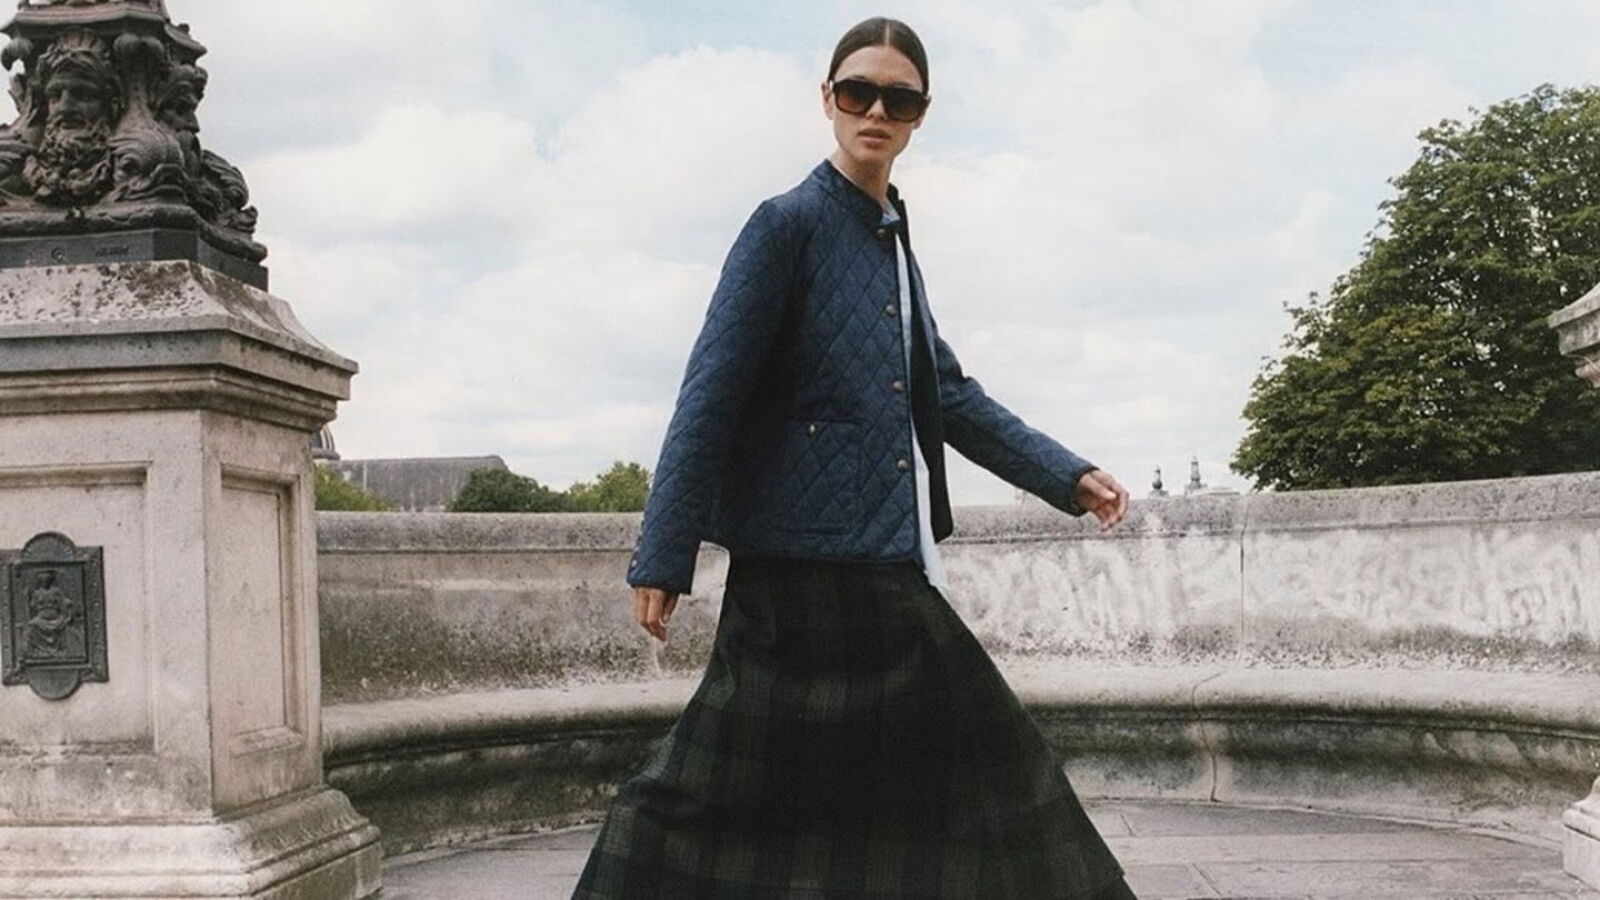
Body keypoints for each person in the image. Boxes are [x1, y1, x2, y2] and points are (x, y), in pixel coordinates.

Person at [573, 15, 1136, 899]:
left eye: (897, 99)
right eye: (857, 92)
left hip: (880, 562)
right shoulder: (784, 226)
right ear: (828, 100)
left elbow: (947, 394)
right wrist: (663, 552)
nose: (876, 111)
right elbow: (710, 391)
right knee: (702, 793)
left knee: (980, 778)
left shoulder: (893, 242)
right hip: (792, 577)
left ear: (920, 115)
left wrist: (1065, 474)